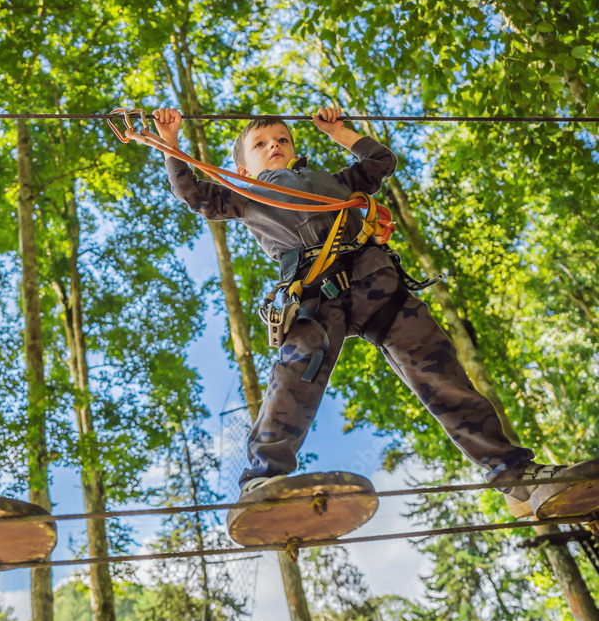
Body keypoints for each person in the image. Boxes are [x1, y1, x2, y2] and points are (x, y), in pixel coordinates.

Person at [150, 105, 576, 519]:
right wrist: (170, 143)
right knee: (295, 378)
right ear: (243, 168)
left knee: (440, 372)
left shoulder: (333, 181)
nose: (274, 145)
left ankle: (516, 477)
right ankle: (262, 483)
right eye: (260, 143)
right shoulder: (243, 195)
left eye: (282, 139)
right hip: (315, 297)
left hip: (380, 289)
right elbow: (195, 195)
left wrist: (340, 133)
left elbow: (380, 160)